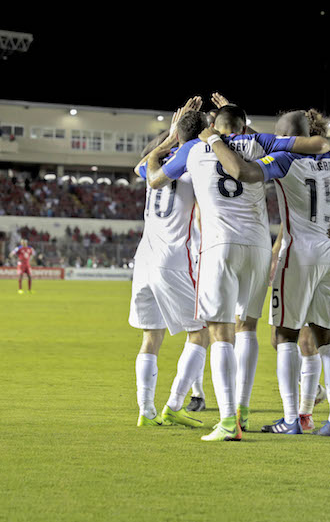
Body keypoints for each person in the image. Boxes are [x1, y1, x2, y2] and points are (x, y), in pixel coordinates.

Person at [148, 102, 330, 441]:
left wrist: (169, 141)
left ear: (214, 125)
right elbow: (319, 145)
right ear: (244, 126)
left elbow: (154, 178)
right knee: (247, 327)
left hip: (220, 246)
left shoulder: (194, 147)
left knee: (220, 333)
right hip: (259, 247)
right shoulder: (260, 142)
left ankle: (229, 421)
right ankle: (244, 409)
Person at [210, 109, 330, 437]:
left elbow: (241, 171)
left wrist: (212, 139)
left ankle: (291, 418)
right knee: (326, 340)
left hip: (299, 255)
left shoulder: (282, 160)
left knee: (285, 337)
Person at [131, 98, 211, 429]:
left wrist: (169, 136)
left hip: (144, 259)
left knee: (151, 337)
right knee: (201, 333)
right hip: (174, 258)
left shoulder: (155, 162)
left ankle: (146, 411)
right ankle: (175, 404)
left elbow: (142, 165)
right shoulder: (196, 164)